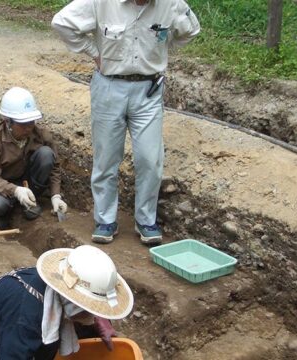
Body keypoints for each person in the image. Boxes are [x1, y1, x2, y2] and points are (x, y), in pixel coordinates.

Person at [52, 0, 200, 245]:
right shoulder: (101, 2)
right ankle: (105, 219)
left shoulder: (170, 3)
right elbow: (62, 23)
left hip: (149, 89)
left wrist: (161, 48)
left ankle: (146, 220)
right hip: (109, 86)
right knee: (107, 158)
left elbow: (190, 30)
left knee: (150, 159)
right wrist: (93, 52)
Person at [0, 245, 134, 359]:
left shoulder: (60, 291)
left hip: (17, 324)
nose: (93, 313)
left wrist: (100, 320)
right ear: (73, 302)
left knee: (87, 330)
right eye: (90, 308)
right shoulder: (28, 316)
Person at [0, 87, 68, 230]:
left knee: (45, 154)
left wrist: (55, 196)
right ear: (8, 122)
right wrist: (15, 190)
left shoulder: (41, 135)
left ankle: (31, 200)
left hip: (28, 181)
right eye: (23, 124)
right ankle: (8, 212)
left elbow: (55, 166)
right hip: (2, 183)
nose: (29, 128)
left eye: (31, 122)